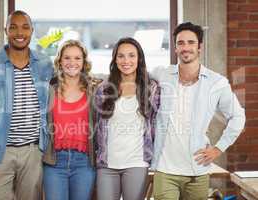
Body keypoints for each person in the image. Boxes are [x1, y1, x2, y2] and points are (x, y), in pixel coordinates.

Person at [151, 22, 246, 200]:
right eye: (180, 43)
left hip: (197, 170)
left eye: (190, 42)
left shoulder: (217, 82)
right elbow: (133, 73)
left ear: (199, 46)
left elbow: (238, 116)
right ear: (175, 48)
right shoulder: (163, 74)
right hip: (165, 169)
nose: (185, 47)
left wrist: (218, 149)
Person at [0, 10, 53, 200]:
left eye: (25, 27)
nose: (19, 33)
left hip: (34, 152)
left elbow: (65, 87)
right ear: (6, 30)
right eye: (13, 27)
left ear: (32, 31)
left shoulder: (45, 64)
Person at [94, 37, 160, 200]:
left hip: (137, 163)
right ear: (115, 60)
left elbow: (161, 123)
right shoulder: (103, 89)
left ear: (139, 59)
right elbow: (95, 126)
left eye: (131, 55)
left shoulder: (152, 88)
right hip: (107, 164)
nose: (126, 61)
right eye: (121, 56)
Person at [42, 39, 102, 200]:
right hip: (54, 161)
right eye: (67, 58)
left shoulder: (95, 88)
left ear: (84, 62)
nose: (72, 62)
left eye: (77, 58)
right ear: (60, 61)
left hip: (84, 162)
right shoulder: (49, 89)